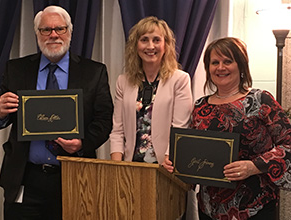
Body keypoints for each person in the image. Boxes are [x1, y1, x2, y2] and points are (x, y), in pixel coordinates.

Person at [0, 5, 113, 220]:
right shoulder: (16, 69)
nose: (53, 35)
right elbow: (0, 118)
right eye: (45, 29)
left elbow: (104, 122)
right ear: (37, 34)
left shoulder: (94, 72)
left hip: (75, 178)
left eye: (60, 29)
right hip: (25, 178)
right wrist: (0, 113)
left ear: (70, 32)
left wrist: (82, 143)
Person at [163, 37, 291, 220]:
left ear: (240, 65)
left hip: (254, 208)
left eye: (227, 61)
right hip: (208, 208)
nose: (220, 67)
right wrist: (176, 162)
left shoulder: (260, 100)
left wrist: (253, 166)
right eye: (215, 62)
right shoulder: (200, 106)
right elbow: (195, 151)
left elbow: (288, 144)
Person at [110, 16, 193, 165]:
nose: (150, 46)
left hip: (165, 167)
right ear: (135, 46)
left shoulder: (180, 80)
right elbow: (117, 130)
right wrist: (116, 167)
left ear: (166, 45)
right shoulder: (123, 81)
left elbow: (180, 129)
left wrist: (168, 161)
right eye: (144, 40)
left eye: (156, 40)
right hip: (131, 168)